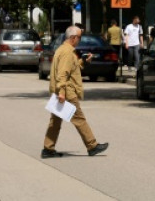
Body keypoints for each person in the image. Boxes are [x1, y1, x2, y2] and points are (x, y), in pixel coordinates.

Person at [41, 25, 108, 158]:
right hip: (66, 92)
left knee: (55, 122)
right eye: (79, 37)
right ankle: (92, 145)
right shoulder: (67, 52)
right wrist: (62, 92)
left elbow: (72, 67)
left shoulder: (63, 49)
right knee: (79, 119)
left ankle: (48, 149)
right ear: (72, 38)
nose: (80, 40)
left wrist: (83, 62)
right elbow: (63, 73)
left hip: (61, 90)